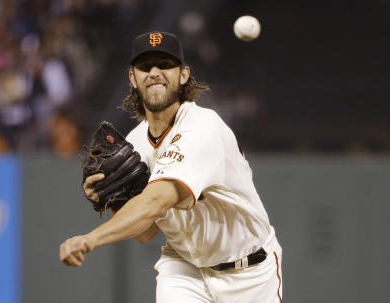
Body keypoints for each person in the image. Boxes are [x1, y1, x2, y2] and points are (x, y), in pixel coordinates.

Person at [60, 31, 283, 303]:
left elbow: (155, 202)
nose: (154, 72)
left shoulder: (202, 127)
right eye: (145, 67)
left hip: (249, 272)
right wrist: (113, 198)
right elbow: (146, 233)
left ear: (184, 75)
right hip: (185, 267)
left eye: (165, 65)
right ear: (133, 78)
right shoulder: (135, 143)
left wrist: (91, 239)